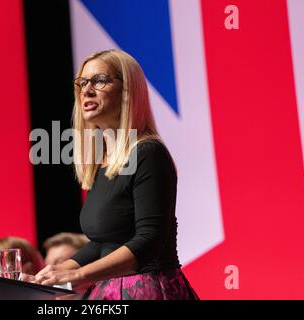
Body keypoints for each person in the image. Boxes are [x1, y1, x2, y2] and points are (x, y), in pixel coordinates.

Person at [32, 49, 199, 300]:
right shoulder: (104, 163)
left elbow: (149, 241)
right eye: (82, 83)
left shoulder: (148, 153)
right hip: (108, 292)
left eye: (99, 81)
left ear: (127, 91)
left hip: (145, 291)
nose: (86, 90)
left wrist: (78, 276)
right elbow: (103, 243)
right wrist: (48, 276)